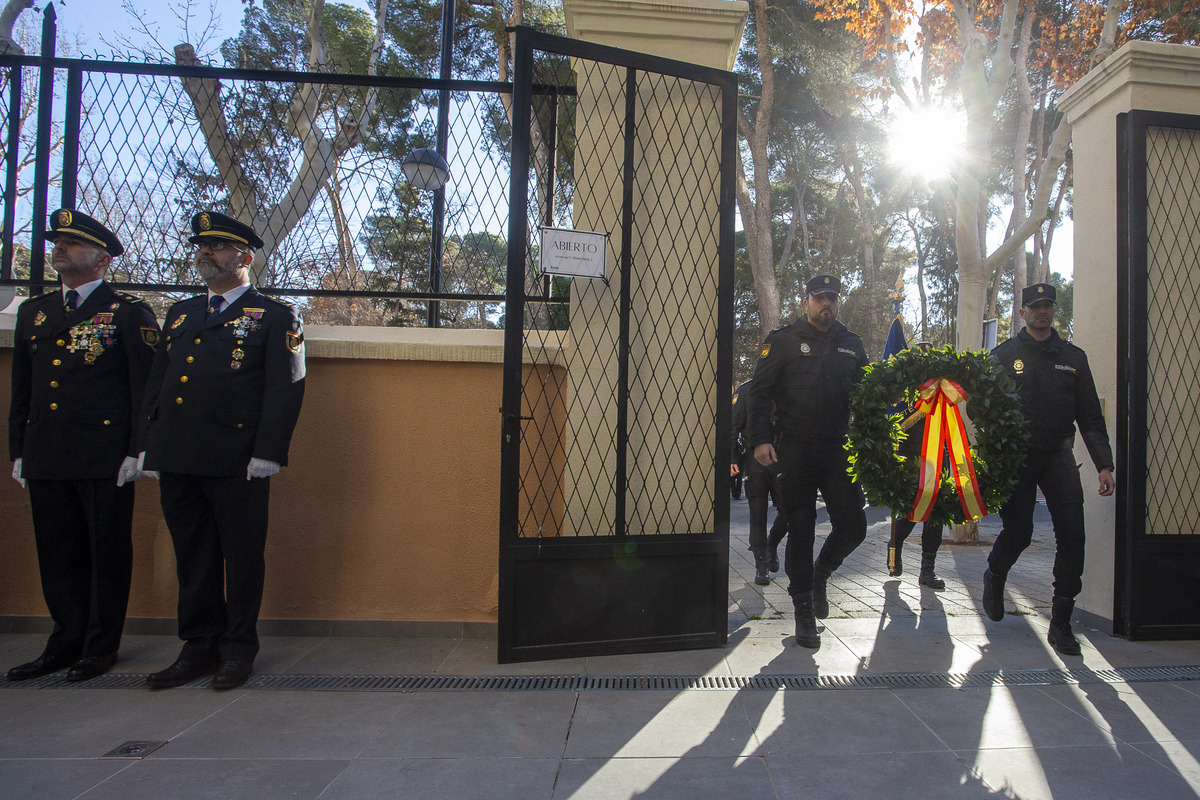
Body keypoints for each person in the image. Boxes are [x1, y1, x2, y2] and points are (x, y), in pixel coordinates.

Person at [139, 211, 305, 690]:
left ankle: (237, 649)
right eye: (203, 245)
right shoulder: (181, 313)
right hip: (178, 453)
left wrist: (269, 450)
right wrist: (149, 445)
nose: (206, 252)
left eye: (217, 246)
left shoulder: (274, 315)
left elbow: (285, 387)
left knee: (241, 555)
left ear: (245, 258)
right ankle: (198, 647)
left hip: (237, 458)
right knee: (193, 555)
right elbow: (159, 383)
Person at [7, 209, 159, 682]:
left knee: (104, 550)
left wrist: (138, 451)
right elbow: (24, 388)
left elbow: (144, 389)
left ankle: (99, 644)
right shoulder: (36, 312)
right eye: (58, 242)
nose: (60, 249)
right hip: (48, 450)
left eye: (72, 243)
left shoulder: (127, 313)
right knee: (57, 550)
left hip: (103, 454)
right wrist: (19, 449)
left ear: (102, 258)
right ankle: (64, 640)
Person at [984, 283, 1115, 656]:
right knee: (1020, 532)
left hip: (1059, 457)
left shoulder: (1073, 358)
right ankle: (995, 574)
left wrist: (1104, 464)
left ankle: (1060, 623)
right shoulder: (1004, 356)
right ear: (1023, 312)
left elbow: (1090, 417)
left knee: (1073, 534)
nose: (1043, 312)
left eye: (1048, 306)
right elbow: (982, 407)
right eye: (1035, 307)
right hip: (1018, 457)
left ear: (1053, 311)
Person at [747, 274, 869, 648]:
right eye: (820, 298)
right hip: (794, 450)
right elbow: (759, 393)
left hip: (837, 449)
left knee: (854, 527)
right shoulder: (782, 341)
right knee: (801, 526)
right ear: (806, 300)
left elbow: (868, 397)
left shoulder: (852, 344)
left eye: (832, 298)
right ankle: (803, 613)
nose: (826, 304)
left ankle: (821, 574)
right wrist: (760, 440)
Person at [731, 378, 789, 585]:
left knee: (788, 511)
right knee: (758, 513)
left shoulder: (787, 386)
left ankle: (771, 544)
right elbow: (733, 425)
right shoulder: (747, 390)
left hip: (782, 459)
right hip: (755, 460)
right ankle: (761, 565)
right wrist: (732, 459)